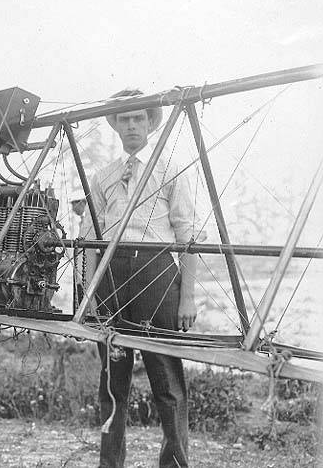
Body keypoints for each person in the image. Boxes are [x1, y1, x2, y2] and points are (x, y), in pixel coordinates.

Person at [81, 89, 204, 468]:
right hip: (112, 276)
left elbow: (188, 237)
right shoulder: (103, 177)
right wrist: (89, 293)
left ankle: (175, 463)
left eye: (139, 118)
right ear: (115, 125)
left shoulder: (172, 170)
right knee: (111, 382)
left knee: (167, 383)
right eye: (124, 119)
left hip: (157, 275)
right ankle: (110, 463)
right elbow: (90, 240)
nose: (131, 126)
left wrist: (187, 297)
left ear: (151, 122)